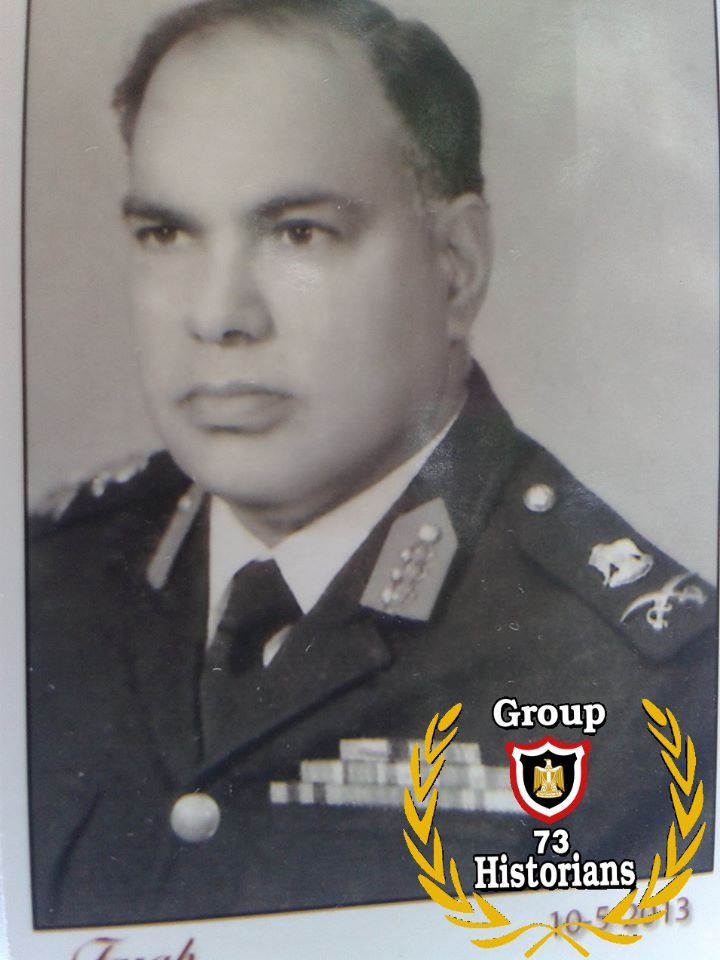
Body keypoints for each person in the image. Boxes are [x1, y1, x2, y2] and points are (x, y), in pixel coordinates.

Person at [28, 0, 716, 928]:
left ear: (456, 266)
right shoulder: (47, 586)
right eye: (167, 234)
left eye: (298, 232)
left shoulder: (651, 684)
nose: (218, 315)